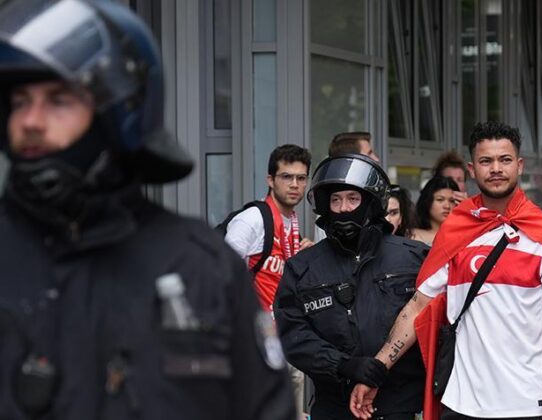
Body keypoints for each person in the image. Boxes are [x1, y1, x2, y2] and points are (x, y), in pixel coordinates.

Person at [0, 1, 294, 419]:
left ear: (117, 111)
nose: (30, 120)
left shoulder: (201, 266)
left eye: (58, 99)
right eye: (19, 101)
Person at [350, 121, 542, 420]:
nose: (496, 168)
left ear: (520, 165)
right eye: (486, 161)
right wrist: (378, 367)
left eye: (505, 160)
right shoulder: (457, 230)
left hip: (525, 402)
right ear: (473, 170)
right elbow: (419, 305)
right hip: (461, 403)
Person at [274, 153, 428, 419]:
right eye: (336, 200)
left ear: (370, 203)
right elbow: (291, 335)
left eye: (352, 198)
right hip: (335, 406)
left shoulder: (414, 258)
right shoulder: (303, 268)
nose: (344, 208)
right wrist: (343, 365)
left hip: (402, 407)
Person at [225, 144, 313, 312]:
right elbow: (224, 274)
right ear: (271, 180)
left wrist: (308, 260)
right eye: (287, 177)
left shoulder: (292, 226)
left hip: (281, 328)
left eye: (301, 178)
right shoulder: (252, 219)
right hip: (255, 329)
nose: (295, 184)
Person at [410, 176, 459, 246]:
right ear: (427, 201)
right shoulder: (412, 235)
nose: (447, 206)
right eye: (440, 200)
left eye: (452, 201)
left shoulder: (463, 235)